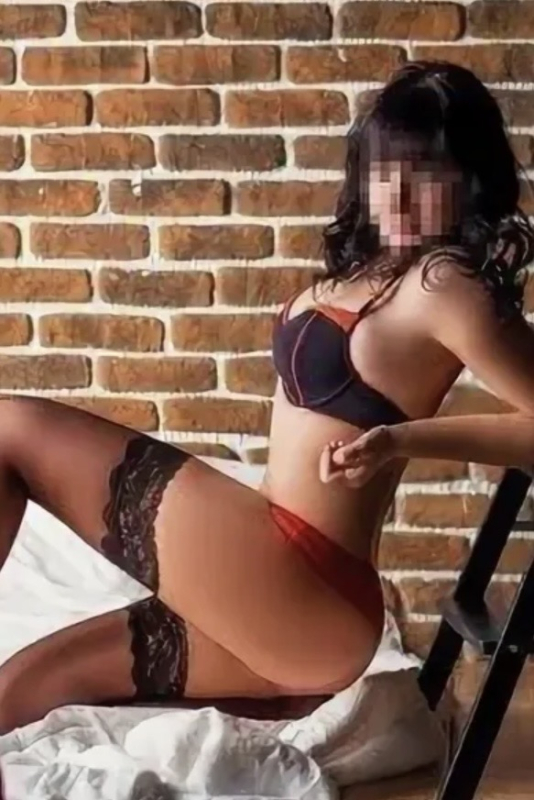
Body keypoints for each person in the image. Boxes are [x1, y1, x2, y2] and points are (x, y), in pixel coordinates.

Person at [1, 59, 534, 734]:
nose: (398, 197)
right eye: (384, 171)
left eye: (425, 174)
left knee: (10, 428)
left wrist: (404, 439)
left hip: (308, 583)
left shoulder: (445, 284)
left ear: (469, 178)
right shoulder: (379, 268)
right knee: (21, 685)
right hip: (272, 596)